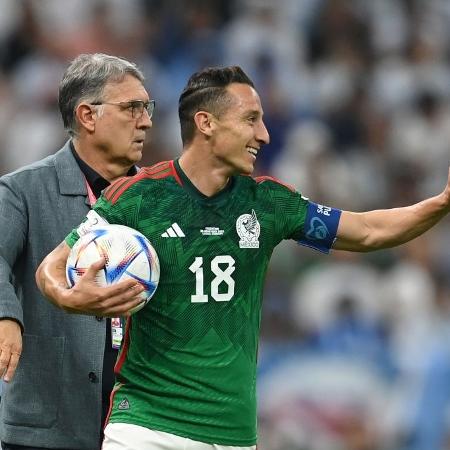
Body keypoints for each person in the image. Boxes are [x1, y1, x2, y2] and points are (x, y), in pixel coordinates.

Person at [36, 66, 450, 450]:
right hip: (147, 429)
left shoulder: (268, 204)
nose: (265, 135)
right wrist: (70, 298)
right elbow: (52, 268)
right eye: (251, 119)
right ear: (207, 123)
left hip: (232, 434)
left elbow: (368, 231)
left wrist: (441, 202)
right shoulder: (139, 198)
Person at [0, 53, 154, 450]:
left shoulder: (162, 201)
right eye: (132, 108)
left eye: (147, 108)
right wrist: (5, 316)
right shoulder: (22, 191)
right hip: (45, 428)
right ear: (88, 115)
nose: (147, 121)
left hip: (143, 428)